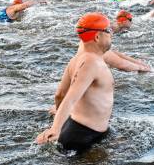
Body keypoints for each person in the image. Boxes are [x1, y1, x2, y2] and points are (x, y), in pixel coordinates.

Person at [36, 13, 114, 152]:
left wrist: (59, 115)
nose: (111, 34)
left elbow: (59, 95)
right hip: (82, 136)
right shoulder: (91, 63)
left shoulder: (76, 60)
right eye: (108, 31)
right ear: (97, 36)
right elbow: (70, 98)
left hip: (78, 129)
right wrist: (56, 128)